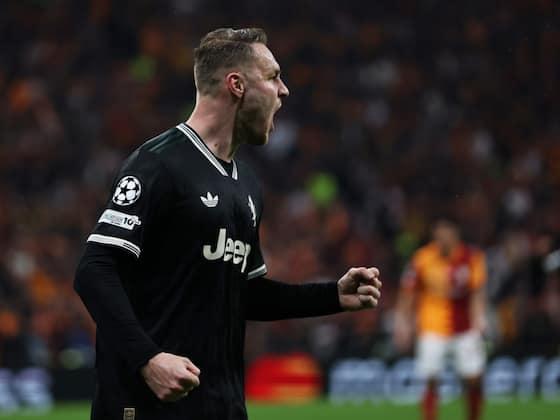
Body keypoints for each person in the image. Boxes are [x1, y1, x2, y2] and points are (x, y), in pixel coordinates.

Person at [74, 27, 382, 420]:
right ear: (236, 85)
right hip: (148, 405)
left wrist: (332, 296)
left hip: (221, 404)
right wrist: (148, 358)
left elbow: (243, 293)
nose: (284, 90)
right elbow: (94, 270)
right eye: (273, 77)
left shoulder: (247, 185)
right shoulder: (158, 164)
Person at [394, 218, 486, 420]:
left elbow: (477, 291)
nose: (441, 238)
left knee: (474, 378)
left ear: (455, 233)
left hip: (464, 326)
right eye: (437, 234)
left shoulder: (472, 257)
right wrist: (403, 322)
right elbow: (408, 292)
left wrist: (480, 318)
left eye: (445, 233)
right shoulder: (422, 258)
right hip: (432, 327)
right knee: (430, 378)